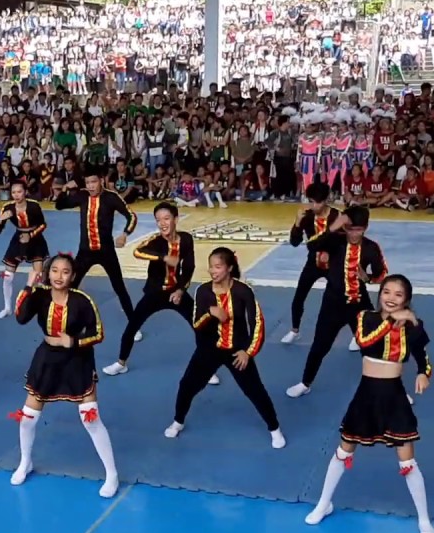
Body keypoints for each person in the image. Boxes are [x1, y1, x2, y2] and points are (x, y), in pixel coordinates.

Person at [303, 274, 434, 533]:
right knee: (344, 450)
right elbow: (365, 342)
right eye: (387, 292)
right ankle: (323, 503)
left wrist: (423, 373)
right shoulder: (366, 317)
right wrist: (391, 320)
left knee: (408, 460)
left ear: (407, 299)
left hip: (394, 396)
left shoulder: (414, 325)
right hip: (366, 395)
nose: (391, 298)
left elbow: (422, 355)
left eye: (398, 294)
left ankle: (424, 519)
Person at [9, 253, 119, 498]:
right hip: (47, 360)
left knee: (90, 419)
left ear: (73, 276)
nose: (59, 276)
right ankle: (25, 461)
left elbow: (98, 333)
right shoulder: (39, 295)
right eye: (55, 270)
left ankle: (111, 474)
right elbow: (21, 317)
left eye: (65, 271)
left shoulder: (82, 300)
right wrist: (28, 286)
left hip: (78, 361)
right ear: (48, 273)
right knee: (27, 418)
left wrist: (74, 341)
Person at [164, 247, 285, 448]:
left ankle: (275, 429)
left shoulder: (243, 291)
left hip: (237, 351)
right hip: (208, 350)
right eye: (211, 267)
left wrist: (248, 352)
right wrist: (210, 313)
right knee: (187, 386)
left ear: (229, 268)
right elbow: (196, 324)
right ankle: (178, 421)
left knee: (255, 391)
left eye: (218, 267)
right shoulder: (202, 291)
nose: (212, 271)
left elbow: (257, 323)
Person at [105, 202, 218, 385]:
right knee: (132, 326)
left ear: (176, 219)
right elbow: (137, 252)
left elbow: (189, 267)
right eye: (158, 220)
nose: (162, 223)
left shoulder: (186, 239)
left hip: (176, 292)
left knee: (201, 326)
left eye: (166, 218)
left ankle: (206, 369)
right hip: (154, 293)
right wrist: (164, 257)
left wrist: (180, 290)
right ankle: (121, 363)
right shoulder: (156, 241)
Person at [287, 206, 388, 398]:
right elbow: (312, 245)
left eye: (358, 230)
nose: (353, 234)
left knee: (374, 347)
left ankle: (389, 389)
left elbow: (381, 273)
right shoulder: (335, 240)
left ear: (365, 228)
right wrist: (334, 226)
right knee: (319, 346)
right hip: (332, 304)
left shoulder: (371, 247)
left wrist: (367, 278)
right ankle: (305, 383)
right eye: (350, 229)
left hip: (359, 305)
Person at [55, 167, 137, 320]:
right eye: (87, 183)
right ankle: (64, 321)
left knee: (119, 288)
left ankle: (133, 323)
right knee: (71, 286)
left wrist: (125, 234)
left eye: (93, 182)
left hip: (106, 252)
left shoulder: (111, 197)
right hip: (85, 252)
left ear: (101, 181)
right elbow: (59, 205)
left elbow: (131, 216)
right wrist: (64, 189)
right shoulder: (82, 196)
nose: (90, 186)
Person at [281, 182, 340, 344]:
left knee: (345, 298)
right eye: (311, 202)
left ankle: (357, 333)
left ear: (326, 200)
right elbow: (294, 242)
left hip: (333, 263)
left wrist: (330, 253)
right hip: (313, 263)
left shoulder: (337, 217)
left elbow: (344, 242)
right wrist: (297, 223)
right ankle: (294, 330)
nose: (314, 206)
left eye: (318, 202)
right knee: (299, 297)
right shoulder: (307, 216)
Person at [0, 181, 50, 319]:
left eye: (19, 192)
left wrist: (30, 235)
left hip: (35, 239)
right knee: (8, 275)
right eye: (13, 192)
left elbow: (43, 225)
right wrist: (0, 221)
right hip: (18, 239)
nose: (16, 195)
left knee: (38, 276)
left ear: (25, 192)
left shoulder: (34, 206)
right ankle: (7, 308)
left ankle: (39, 306)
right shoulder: (7, 207)